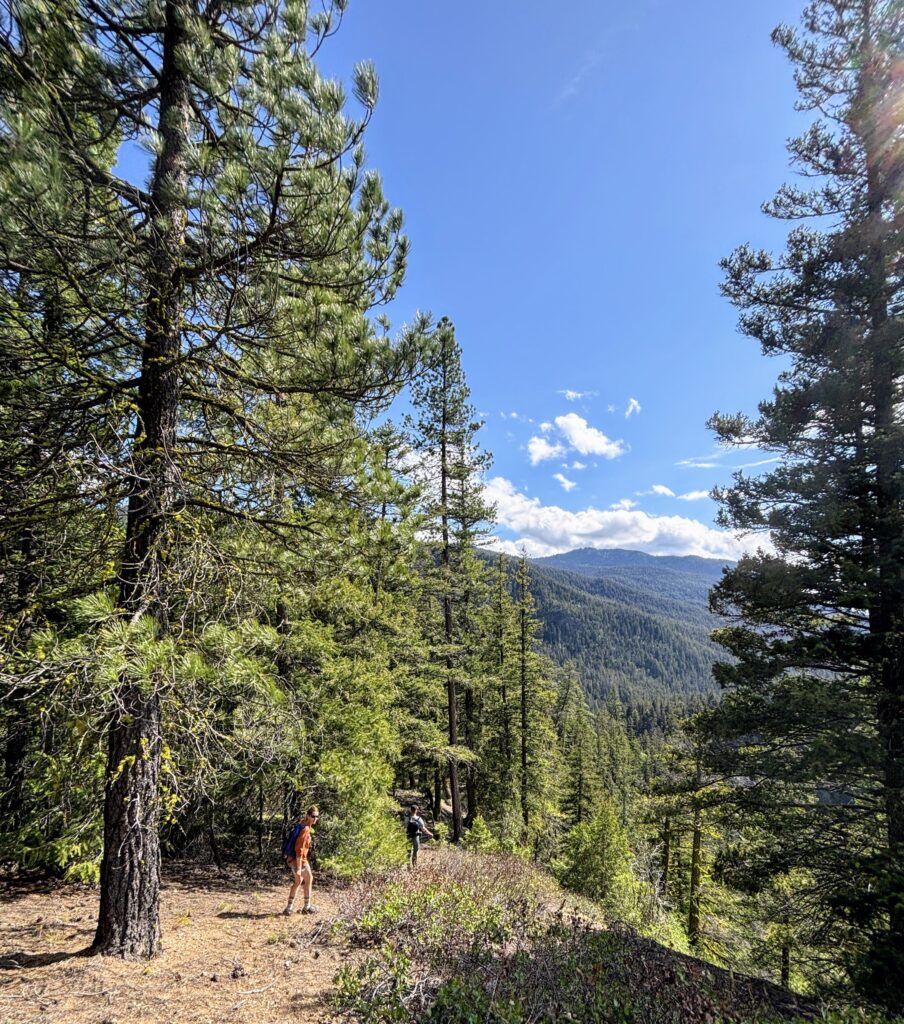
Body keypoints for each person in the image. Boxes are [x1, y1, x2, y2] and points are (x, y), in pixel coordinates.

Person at [284, 805, 319, 915]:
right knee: (309, 879)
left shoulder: (302, 825)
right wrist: (299, 868)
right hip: (300, 861)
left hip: (292, 859)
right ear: (308, 816)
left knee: (298, 882)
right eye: (313, 816)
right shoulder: (305, 829)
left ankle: (289, 908)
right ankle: (307, 907)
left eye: (317, 817)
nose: (315, 819)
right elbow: (299, 849)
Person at [405, 804, 432, 869]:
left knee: (408, 851)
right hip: (416, 836)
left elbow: (404, 826)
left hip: (408, 836)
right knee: (415, 851)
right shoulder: (419, 819)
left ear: (411, 810)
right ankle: (414, 865)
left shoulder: (407, 818)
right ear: (416, 810)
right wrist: (430, 834)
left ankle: (408, 866)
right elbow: (423, 828)